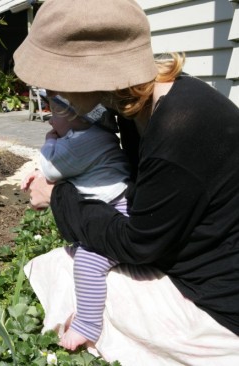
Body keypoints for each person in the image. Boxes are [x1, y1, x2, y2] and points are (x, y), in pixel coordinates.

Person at [13, 0, 239, 364]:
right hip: (192, 263)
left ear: (89, 73)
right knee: (64, 266)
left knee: (65, 274)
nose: (48, 90)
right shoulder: (144, 104)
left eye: (53, 78)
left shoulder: (180, 126)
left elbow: (138, 244)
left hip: (219, 305)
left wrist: (57, 198)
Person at [21, 96, 130, 350]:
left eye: (55, 113)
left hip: (120, 214)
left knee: (87, 261)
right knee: (82, 248)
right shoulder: (84, 136)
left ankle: (87, 325)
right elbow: (65, 168)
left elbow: (51, 167)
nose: (49, 118)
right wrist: (37, 175)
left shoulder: (91, 139)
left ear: (77, 117)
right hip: (107, 207)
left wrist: (49, 142)